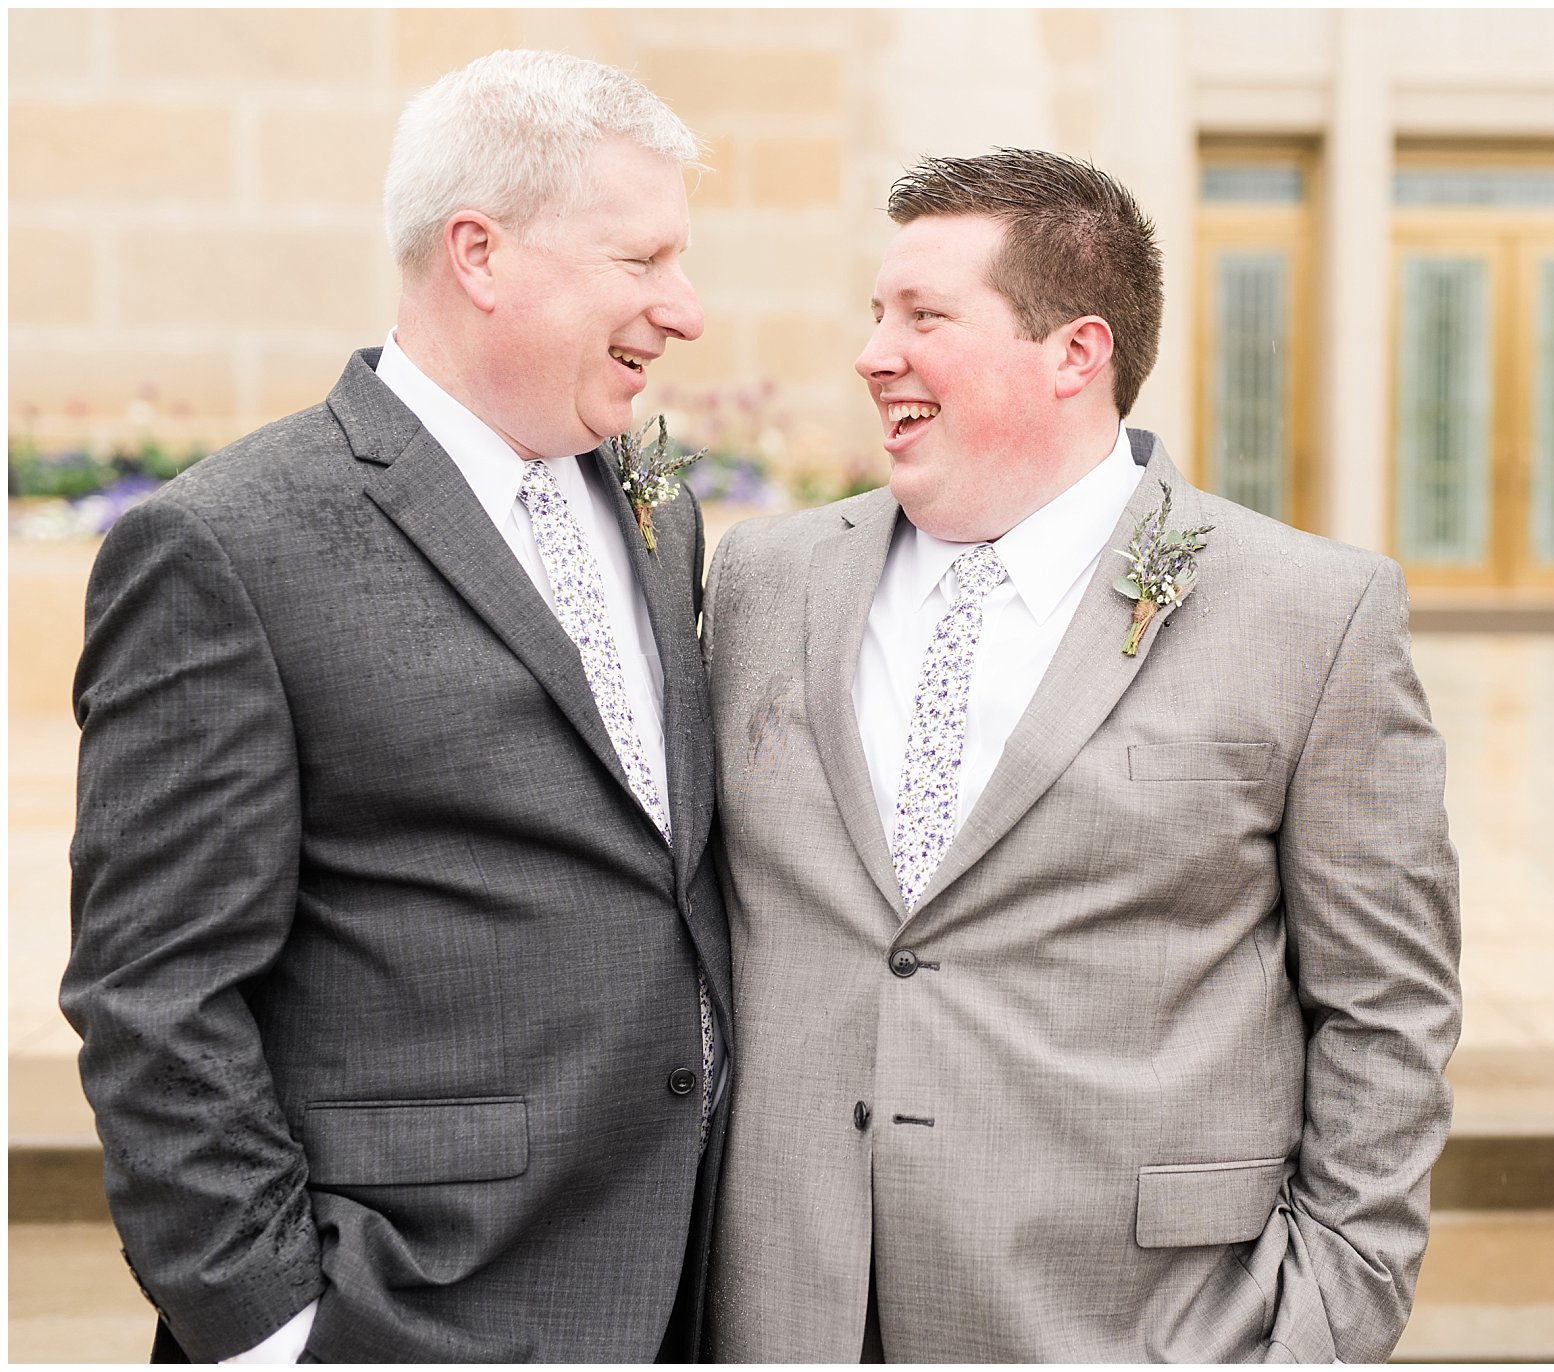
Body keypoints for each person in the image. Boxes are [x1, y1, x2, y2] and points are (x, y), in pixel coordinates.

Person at [701, 148, 1461, 1362]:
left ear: (1075, 353)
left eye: (924, 316)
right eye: (875, 313)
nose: (872, 352)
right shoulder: (758, 581)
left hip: (1135, 1323)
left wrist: (1322, 1329)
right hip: (789, 1312)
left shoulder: (1311, 614)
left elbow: (1387, 1011)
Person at [62, 49, 729, 1363]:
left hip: (676, 1298)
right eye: (643, 262)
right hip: (406, 1310)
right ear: (479, 254)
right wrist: (278, 1334)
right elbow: (155, 995)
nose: (687, 309)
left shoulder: (660, 513)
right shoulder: (230, 542)